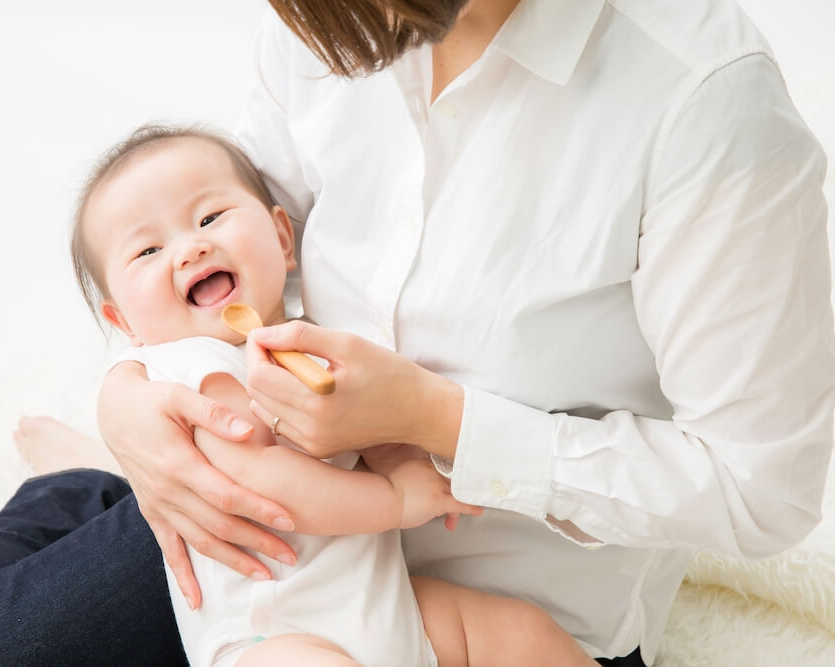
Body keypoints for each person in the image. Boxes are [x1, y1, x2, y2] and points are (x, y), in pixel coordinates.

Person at [90, 1, 835, 665]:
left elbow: (761, 488)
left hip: (497, 613)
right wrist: (124, 396)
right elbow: (231, 241)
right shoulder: (323, 22)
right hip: (274, 565)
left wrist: (439, 421)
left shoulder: (702, 95)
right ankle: (73, 480)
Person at [67, 123, 595, 666]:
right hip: (273, 635)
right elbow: (271, 486)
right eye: (149, 249)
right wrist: (398, 499)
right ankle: (71, 473)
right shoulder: (190, 366)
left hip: (389, 609)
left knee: (519, 634)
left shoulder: (317, 344)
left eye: (210, 218)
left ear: (281, 238)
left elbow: (369, 424)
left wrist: (405, 451)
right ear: (121, 319)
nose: (190, 248)